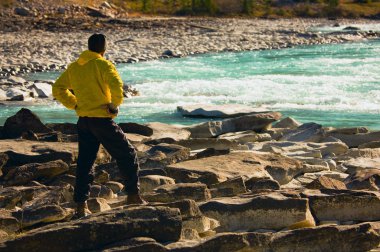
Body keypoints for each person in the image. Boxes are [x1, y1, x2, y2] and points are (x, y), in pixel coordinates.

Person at [53, 33, 146, 218]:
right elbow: (116, 84)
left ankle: (80, 206)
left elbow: (57, 88)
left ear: (89, 47)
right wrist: (114, 104)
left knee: (85, 163)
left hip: (84, 121)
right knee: (127, 154)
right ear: (104, 49)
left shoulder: (74, 67)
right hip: (102, 120)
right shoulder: (103, 64)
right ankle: (133, 196)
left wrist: (73, 104)